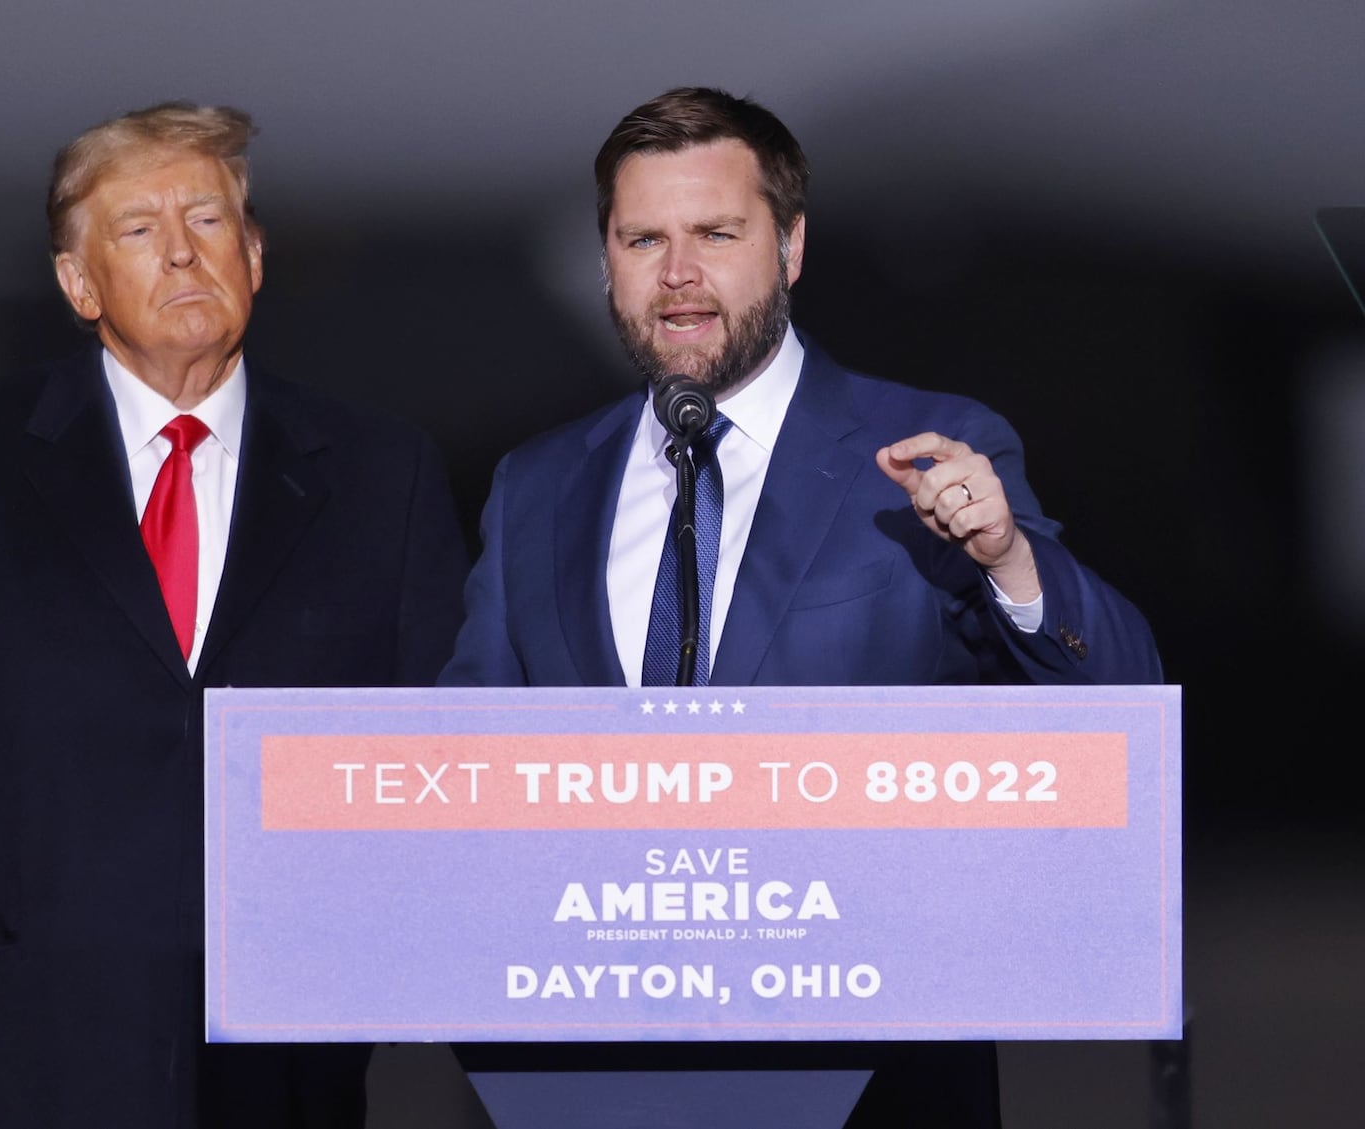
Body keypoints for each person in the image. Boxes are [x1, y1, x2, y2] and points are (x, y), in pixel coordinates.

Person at [439, 87, 1162, 1126]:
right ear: (606, 260)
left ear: (789, 247)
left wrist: (1006, 560)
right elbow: (468, 777)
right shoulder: (538, 485)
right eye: (643, 237)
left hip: (872, 1078)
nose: (678, 273)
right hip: (594, 1081)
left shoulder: (926, 448)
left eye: (716, 233)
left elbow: (1118, 696)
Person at [0, 102, 469, 1129]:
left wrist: (361, 950)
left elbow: (440, 743)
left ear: (257, 253)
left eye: (209, 220)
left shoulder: (380, 473)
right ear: (77, 282)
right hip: (18, 1051)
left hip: (279, 1072)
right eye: (139, 230)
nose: (184, 253)